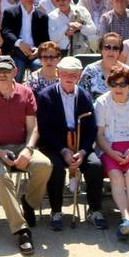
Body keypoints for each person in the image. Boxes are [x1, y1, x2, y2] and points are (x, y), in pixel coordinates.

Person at [0, 55, 50, 256]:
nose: (2, 74)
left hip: (21, 146)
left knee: (44, 165)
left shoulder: (26, 93)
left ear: (15, 71)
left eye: (6, 70)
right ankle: (21, 229)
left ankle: (29, 203)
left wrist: (28, 149)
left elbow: (33, 128)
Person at [34, 57, 101, 231]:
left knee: (95, 165)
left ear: (79, 76)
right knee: (55, 167)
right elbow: (45, 130)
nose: (69, 77)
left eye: (74, 74)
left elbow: (92, 128)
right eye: (65, 73)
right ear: (58, 74)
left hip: (80, 144)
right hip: (55, 144)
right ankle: (56, 211)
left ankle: (95, 210)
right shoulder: (45, 96)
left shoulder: (84, 95)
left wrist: (84, 152)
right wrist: (63, 150)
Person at [94, 63, 129, 238]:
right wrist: (111, 153)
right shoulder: (102, 102)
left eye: (122, 84)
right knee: (116, 175)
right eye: (114, 84)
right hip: (110, 148)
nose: (118, 88)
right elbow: (100, 135)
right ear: (108, 84)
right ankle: (126, 217)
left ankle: (128, 217)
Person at [0, 0, 49, 79]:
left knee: (40, 67)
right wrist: (19, 43)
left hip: (35, 53)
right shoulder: (10, 13)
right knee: (17, 69)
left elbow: (45, 39)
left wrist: (39, 50)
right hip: (15, 52)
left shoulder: (42, 16)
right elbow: (6, 32)